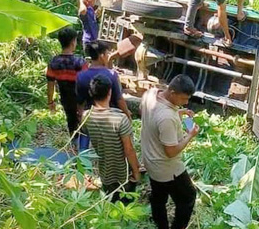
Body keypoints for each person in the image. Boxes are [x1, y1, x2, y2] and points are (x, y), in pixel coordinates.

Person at [140, 75, 200, 229]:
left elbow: (152, 117)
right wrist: (190, 135)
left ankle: (161, 225)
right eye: (183, 99)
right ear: (172, 93)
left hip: (150, 159)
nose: (186, 102)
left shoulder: (150, 94)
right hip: (167, 168)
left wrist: (178, 113)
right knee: (188, 197)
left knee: (158, 196)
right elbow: (171, 152)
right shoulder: (167, 118)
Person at [85, 75, 141, 204]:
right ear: (110, 92)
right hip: (123, 173)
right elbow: (129, 150)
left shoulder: (86, 117)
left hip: (103, 171)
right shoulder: (121, 119)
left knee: (110, 201)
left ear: (91, 93)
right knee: (125, 204)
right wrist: (136, 171)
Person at [76, 41, 133, 149]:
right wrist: (127, 114)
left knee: (85, 140)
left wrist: (80, 116)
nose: (108, 56)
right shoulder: (111, 74)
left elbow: (80, 101)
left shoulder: (81, 76)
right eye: (107, 54)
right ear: (102, 56)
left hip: (90, 116)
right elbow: (119, 99)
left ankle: (82, 162)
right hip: (109, 117)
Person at [46, 27, 87, 138]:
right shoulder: (80, 62)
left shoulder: (54, 62)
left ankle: (73, 145)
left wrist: (50, 102)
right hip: (81, 99)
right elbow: (85, 84)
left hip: (66, 99)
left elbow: (50, 85)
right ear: (73, 42)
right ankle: (83, 147)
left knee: (71, 121)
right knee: (84, 123)